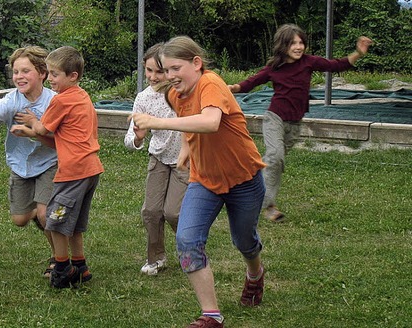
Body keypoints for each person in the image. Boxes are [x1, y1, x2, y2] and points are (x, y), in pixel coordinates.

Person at [130, 36, 267, 328]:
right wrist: (186, 149)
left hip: (244, 178)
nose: (169, 76)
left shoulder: (211, 83)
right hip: (204, 180)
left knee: (244, 241)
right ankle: (211, 315)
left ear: (196, 63)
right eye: (166, 70)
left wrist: (157, 122)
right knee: (188, 240)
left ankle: (255, 274)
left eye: (175, 68)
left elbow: (210, 122)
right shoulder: (175, 95)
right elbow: (191, 124)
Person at [229, 24, 373, 222]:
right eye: (293, 43)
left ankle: (248, 183)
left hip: (295, 123)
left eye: (301, 43)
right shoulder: (275, 68)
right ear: (283, 45)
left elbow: (337, 65)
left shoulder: (309, 62)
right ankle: (268, 206)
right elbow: (250, 83)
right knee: (275, 156)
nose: (298, 47)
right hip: (274, 118)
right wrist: (232, 88)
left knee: (275, 164)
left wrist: (358, 52)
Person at [11, 46, 104, 289]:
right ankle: (81, 266)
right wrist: (30, 132)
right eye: (49, 73)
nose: (50, 78)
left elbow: (43, 129)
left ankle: (62, 268)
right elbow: (58, 139)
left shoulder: (62, 100)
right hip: (90, 169)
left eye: (55, 74)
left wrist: (31, 122)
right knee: (74, 222)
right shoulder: (82, 96)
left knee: (56, 219)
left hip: (73, 171)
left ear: (72, 76)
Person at [0, 46, 58, 278]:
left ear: (42, 73)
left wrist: (35, 127)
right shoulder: (12, 100)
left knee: (44, 213)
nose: (19, 76)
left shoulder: (54, 102)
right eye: (16, 72)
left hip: (51, 162)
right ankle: (50, 222)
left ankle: (58, 258)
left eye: (25, 71)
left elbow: (61, 140)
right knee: (19, 219)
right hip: (21, 165)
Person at [124, 43, 187, 276]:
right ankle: (156, 258)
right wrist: (138, 138)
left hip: (183, 160)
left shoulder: (182, 93)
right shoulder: (143, 98)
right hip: (158, 159)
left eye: (159, 72)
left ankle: (191, 249)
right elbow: (130, 139)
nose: (153, 77)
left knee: (173, 213)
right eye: (148, 71)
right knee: (151, 211)